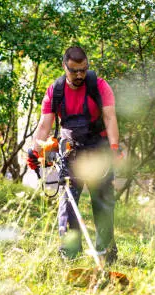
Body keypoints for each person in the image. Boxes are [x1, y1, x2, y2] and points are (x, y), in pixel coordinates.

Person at [27, 46, 120, 264]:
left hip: (99, 150)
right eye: (74, 70)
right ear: (65, 67)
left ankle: (106, 253)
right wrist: (35, 151)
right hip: (70, 151)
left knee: (103, 203)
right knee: (68, 204)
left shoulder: (99, 86)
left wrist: (115, 148)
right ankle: (70, 254)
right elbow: (44, 126)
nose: (79, 75)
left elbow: (110, 118)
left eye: (83, 69)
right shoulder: (55, 91)